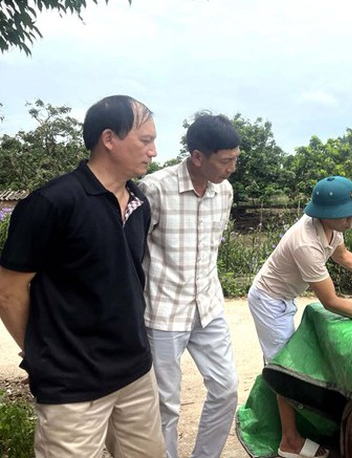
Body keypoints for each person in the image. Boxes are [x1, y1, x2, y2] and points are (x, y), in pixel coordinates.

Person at [0, 95, 163, 457]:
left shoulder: (139, 203)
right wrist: (41, 355)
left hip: (135, 373)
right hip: (72, 386)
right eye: (145, 140)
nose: (153, 151)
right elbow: (9, 291)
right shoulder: (51, 203)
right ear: (109, 139)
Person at [247, 175, 352, 458]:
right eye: (346, 214)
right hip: (269, 302)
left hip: (285, 297)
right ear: (325, 214)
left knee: (287, 363)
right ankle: (290, 441)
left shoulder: (332, 229)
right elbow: (332, 302)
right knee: (283, 370)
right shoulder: (305, 244)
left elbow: (342, 256)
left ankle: (297, 432)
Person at [138, 113, 240, 458]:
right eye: (225, 161)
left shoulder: (224, 192)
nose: (231, 168)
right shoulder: (154, 189)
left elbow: (211, 247)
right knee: (165, 405)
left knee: (226, 390)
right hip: (164, 311)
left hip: (208, 308)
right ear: (198, 157)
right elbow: (134, 251)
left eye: (235, 159)